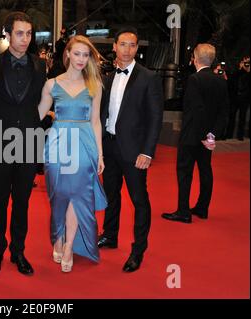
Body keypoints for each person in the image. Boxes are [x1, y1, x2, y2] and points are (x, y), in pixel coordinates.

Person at [0, 12, 47, 276]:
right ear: (7, 35)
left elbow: (43, 102)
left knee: (22, 200)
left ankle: (18, 250)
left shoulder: (39, 65)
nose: (25, 38)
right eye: (19, 33)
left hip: (30, 141)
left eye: (29, 33)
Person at [37, 35, 107, 272]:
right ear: (67, 54)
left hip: (84, 144)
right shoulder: (51, 84)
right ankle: (57, 236)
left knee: (77, 196)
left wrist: (100, 154)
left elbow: (96, 121)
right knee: (59, 194)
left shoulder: (94, 85)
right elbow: (35, 114)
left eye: (85, 55)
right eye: (76, 53)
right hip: (57, 144)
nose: (80, 59)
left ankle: (68, 247)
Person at [97, 27, 163, 273]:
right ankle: (110, 235)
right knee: (111, 196)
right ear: (114, 46)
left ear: (137, 48)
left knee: (139, 200)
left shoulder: (149, 77)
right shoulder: (107, 76)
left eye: (132, 45)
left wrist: (147, 152)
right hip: (109, 146)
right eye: (122, 44)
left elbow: (155, 117)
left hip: (135, 151)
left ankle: (138, 250)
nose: (127, 49)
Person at [162, 43, 229, 223]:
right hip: (208, 137)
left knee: (184, 172)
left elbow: (194, 110)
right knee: (205, 170)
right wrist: (211, 135)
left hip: (192, 136)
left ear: (195, 59)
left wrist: (198, 136)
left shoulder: (194, 80)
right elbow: (223, 112)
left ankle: (183, 211)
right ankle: (202, 208)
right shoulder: (221, 81)